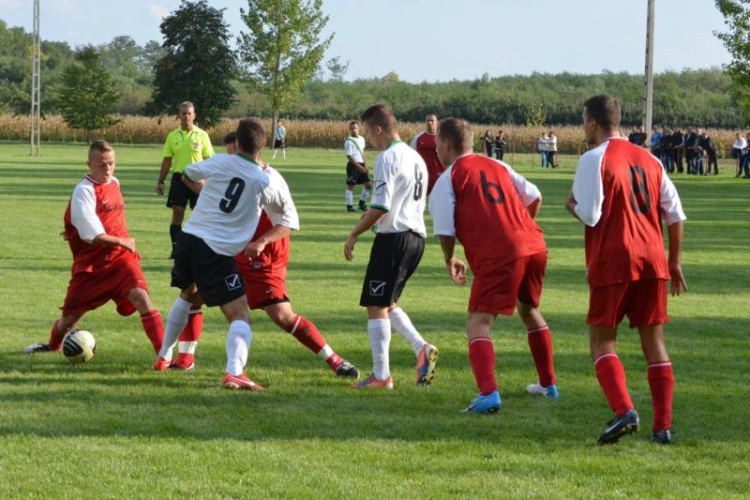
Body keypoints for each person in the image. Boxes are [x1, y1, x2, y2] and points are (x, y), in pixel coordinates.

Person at [167, 131, 361, 378]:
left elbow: (288, 222)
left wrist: (261, 241)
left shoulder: (269, 180)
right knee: (193, 294)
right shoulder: (232, 169)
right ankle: (184, 359)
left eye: (234, 155)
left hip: (265, 260)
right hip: (233, 254)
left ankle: (334, 360)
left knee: (283, 317)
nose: (232, 161)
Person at [565, 95, 687, 445]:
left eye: (583, 121)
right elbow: (675, 213)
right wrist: (674, 261)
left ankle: (624, 410)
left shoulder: (594, 158)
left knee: (602, 340)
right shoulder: (650, 159)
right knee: (654, 343)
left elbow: (591, 214)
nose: (583, 127)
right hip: (653, 260)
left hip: (614, 259)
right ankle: (662, 427)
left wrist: (570, 204)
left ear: (592, 123)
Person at [154, 118, 297, 391]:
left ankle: (163, 356)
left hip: (188, 239)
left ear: (238, 144)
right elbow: (287, 220)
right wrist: (264, 240)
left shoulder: (219, 162)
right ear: (263, 144)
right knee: (240, 315)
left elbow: (188, 174)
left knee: (189, 293)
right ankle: (235, 372)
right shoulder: (264, 180)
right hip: (215, 250)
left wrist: (207, 192)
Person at [430, 118, 558, 413]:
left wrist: (450, 258)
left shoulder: (449, 178)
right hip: (534, 246)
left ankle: (488, 393)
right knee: (529, 310)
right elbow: (534, 195)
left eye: (438, 144)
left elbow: (445, 230)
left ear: (447, 144)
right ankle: (548, 384)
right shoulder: (497, 165)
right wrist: (520, 228)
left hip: (502, 254)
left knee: (478, 322)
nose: (436, 150)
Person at [25, 141, 165, 357]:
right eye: (101, 165)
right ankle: (53, 344)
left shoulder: (115, 183)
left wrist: (79, 229)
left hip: (121, 261)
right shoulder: (84, 190)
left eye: (111, 163)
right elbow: (93, 235)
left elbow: (104, 219)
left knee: (142, 298)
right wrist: (121, 241)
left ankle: (164, 357)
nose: (107, 169)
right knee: (68, 322)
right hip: (92, 268)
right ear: (89, 164)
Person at [344, 104, 438, 389]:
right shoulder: (415, 157)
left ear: (378, 129)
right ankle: (421, 348)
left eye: (369, 134)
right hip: (416, 237)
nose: (369, 141)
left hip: (394, 238)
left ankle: (381, 375)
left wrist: (353, 233)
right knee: (387, 302)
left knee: (375, 304)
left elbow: (382, 206)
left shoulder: (388, 157)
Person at [156, 101, 215, 259]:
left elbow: (210, 160)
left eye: (189, 113)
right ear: (179, 116)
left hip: (198, 180)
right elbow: (167, 160)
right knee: (178, 213)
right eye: (183, 113)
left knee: (199, 215)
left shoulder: (202, 135)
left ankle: (200, 249)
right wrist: (160, 181)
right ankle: (176, 250)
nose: (186, 116)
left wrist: (211, 183)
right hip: (179, 178)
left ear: (194, 115)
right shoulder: (172, 136)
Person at [409, 113, 445, 195]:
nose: (429, 122)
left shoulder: (443, 139)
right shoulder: (418, 138)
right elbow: (410, 157)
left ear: (437, 122)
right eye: (428, 120)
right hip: (421, 177)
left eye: (432, 120)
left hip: (439, 178)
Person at [345, 121, 372, 213]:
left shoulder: (362, 139)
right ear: (350, 129)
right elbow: (349, 156)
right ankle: (349, 207)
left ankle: (361, 204)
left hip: (361, 164)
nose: (354, 130)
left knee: (368, 185)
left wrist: (365, 165)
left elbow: (363, 152)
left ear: (358, 129)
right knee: (351, 186)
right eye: (352, 128)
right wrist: (359, 167)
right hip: (353, 165)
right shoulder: (348, 141)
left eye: (355, 128)